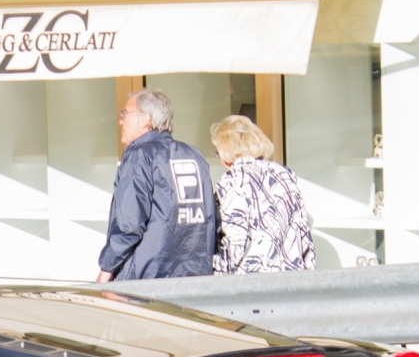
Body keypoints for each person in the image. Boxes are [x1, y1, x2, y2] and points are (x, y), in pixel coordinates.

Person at [97, 90, 217, 282]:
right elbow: (210, 217)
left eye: (124, 114)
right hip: (195, 276)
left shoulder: (139, 155)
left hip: (148, 279)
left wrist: (106, 269)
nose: (121, 121)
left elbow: (129, 224)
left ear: (145, 120)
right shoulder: (193, 154)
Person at [210, 114, 316, 274]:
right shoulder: (285, 173)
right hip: (291, 280)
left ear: (226, 153)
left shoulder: (232, 180)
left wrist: (213, 273)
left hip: (254, 286)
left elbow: (235, 241)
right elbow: (303, 233)